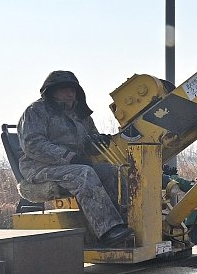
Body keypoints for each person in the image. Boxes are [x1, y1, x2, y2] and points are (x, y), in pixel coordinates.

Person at [17, 70, 133, 248]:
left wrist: (97, 140)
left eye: (73, 89)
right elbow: (33, 144)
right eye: (64, 89)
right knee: (83, 173)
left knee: (113, 171)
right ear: (51, 91)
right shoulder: (35, 111)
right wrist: (69, 158)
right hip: (40, 168)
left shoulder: (80, 114)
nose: (70, 93)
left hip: (71, 165)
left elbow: (89, 137)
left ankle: (124, 225)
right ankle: (108, 230)